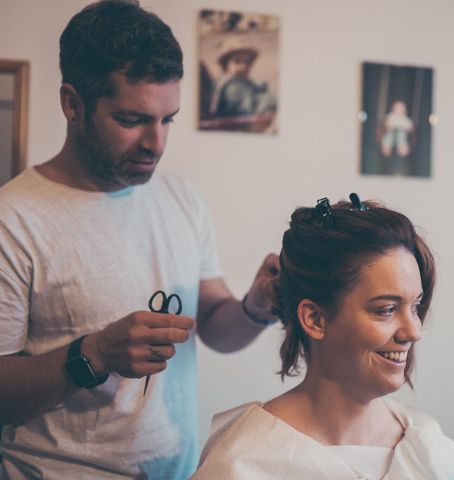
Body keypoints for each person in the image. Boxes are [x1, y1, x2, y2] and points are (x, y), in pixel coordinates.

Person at [0, 1, 277, 478]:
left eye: (168, 119)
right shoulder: (14, 218)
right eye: (132, 120)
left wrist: (256, 307)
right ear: (72, 103)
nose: (157, 143)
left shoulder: (180, 196)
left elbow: (211, 321)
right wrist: (94, 354)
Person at [192, 196, 454, 479]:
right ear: (315, 318)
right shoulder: (245, 463)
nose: (413, 331)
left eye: (415, 306)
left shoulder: (426, 443)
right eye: (386, 309)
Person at [207, 37, 277, 128]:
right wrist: (270, 99)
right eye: (237, 61)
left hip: (242, 113)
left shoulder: (239, 81)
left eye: (247, 62)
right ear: (226, 65)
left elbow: (247, 92)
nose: (243, 66)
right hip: (234, 122)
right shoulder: (231, 87)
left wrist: (259, 88)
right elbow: (249, 105)